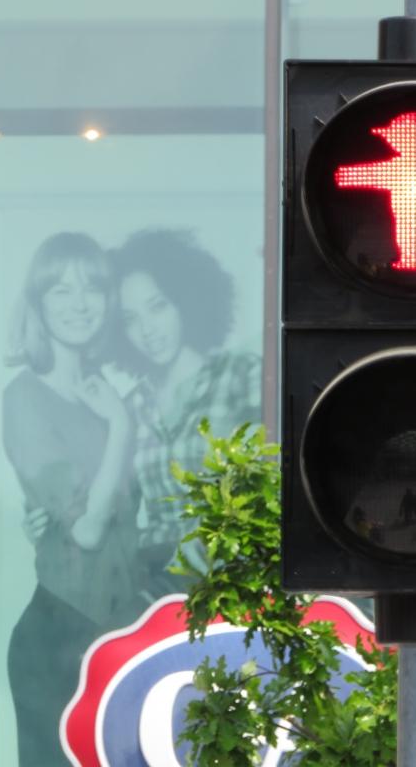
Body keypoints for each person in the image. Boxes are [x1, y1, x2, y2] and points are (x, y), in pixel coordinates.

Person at [2, 232, 143, 767]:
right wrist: (121, 429)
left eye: (92, 289)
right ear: (38, 305)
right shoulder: (25, 397)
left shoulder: (102, 394)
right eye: (61, 290)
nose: (80, 304)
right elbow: (87, 530)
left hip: (119, 631)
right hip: (60, 635)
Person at [110, 228, 261, 601]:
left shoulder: (240, 375)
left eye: (158, 306)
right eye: (130, 319)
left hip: (231, 575)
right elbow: (118, 517)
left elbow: (269, 483)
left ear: (186, 302)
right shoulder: (132, 406)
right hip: (154, 583)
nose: (147, 330)